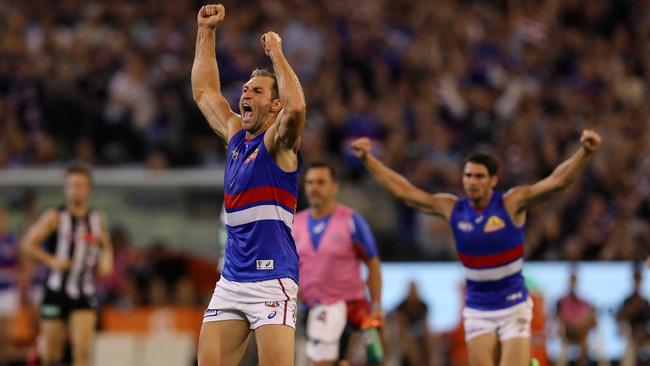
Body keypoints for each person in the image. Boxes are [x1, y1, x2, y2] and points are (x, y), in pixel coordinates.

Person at [350, 129, 602, 366]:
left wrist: (584, 154)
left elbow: (556, 182)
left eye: (479, 176)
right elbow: (405, 192)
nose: (472, 182)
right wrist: (368, 160)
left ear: (493, 180)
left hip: (513, 305)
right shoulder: (453, 209)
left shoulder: (511, 203)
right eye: (468, 175)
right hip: (478, 308)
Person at [191, 3, 307, 366]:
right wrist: (206, 32)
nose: (245, 94)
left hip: (273, 278)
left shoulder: (278, 144)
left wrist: (276, 53)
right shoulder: (237, 138)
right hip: (231, 280)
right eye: (245, 89)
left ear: (274, 106)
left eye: (257, 91)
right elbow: (204, 92)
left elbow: (298, 110)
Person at [21, 164, 113, 366]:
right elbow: (28, 244)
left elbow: (105, 245)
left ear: (88, 189)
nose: (74, 189)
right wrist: (51, 260)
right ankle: (40, 349)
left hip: (84, 291)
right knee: (52, 356)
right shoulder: (55, 216)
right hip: (56, 291)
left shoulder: (97, 219)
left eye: (79, 185)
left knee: (82, 351)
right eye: (71, 185)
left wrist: (106, 261)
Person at [293, 162, 383, 366]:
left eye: (321, 182)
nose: (314, 187)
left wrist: (376, 303)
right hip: (311, 307)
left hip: (347, 306)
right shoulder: (295, 224)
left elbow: (373, 262)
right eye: (309, 182)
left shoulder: (351, 221)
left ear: (335, 187)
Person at [556, 267, 596, 366]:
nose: (573, 282)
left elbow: (593, 321)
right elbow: (560, 318)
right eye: (572, 279)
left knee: (584, 342)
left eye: (575, 280)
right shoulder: (561, 301)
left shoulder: (584, 302)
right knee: (583, 334)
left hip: (581, 334)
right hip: (567, 332)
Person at [616, 265, 650, 366]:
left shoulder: (644, 301)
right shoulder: (627, 301)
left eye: (639, 278)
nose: (638, 281)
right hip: (630, 335)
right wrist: (631, 311)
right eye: (636, 278)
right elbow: (619, 317)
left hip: (643, 334)